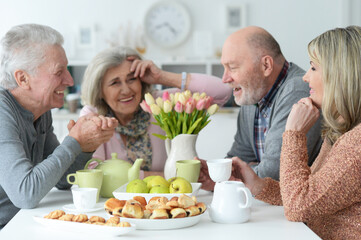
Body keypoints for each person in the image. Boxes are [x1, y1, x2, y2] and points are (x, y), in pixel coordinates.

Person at [231, 26, 361, 239]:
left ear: (340, 75)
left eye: (313, 68)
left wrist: (294, 134)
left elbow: (298, 207)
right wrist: (259, 185)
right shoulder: (340, 133)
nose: (305, 77)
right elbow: (308, 196)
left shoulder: (356, 145)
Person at [0, 24, 118, 229]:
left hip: (22, 223)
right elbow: (25, 194)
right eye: (59, 72)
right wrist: (75, 141)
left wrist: (86, 146)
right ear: (23, 79)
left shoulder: (41, 110)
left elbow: (63, 181)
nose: (70, 80)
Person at [199, 26, 323, 190]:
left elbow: (273, 174)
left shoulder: (298, 90)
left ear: (266, 65)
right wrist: (214, 172)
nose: (225, 78)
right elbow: (240, 157)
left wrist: (224, 179)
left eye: (233, 67)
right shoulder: (253, 93)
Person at [80, 46, 232, 178]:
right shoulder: (93, 115)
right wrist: (163, 177)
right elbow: (92, 171)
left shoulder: (160, 103)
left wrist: (162, 77)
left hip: (168, 201)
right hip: (114, 205)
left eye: (132, 79)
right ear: (99, 91)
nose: (126, 90)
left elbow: (223, 91)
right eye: (115, 83)